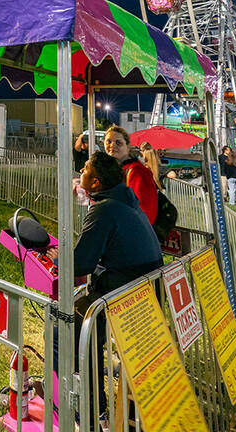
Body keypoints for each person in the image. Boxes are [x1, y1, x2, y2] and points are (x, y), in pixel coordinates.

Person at [49, 150, 162, 412]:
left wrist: (58, 260)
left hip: (124, 293)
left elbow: (80, 264)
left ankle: (85, 408)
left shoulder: (104, 209)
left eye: (85, 170)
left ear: (97, 182)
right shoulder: (126, 200)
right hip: (146, 286)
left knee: (65, 333)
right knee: (86, 328)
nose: (81, 173)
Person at [104, 125, 157, 224]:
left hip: (131, 232)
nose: (112, 145)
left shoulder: (137, 172)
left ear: (128, 146)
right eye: (108, 142)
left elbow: (144, 211)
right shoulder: (115, 169)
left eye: (118, 143)